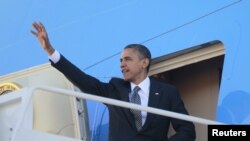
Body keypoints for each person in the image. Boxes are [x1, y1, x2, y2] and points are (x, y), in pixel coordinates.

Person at [31, 21, 196, 141]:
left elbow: (187, 130)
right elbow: (82, 79)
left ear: (144, 63)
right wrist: (50, 50)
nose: (122, 64)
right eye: (120, 60)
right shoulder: (114, 89)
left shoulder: (168, 92)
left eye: (127, 59)